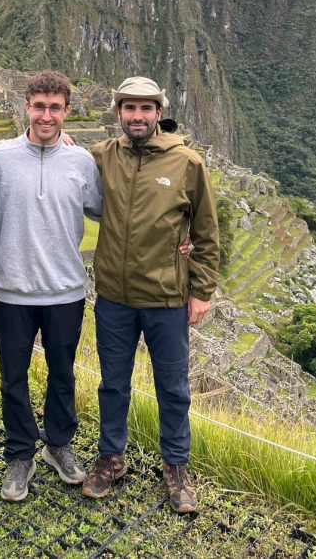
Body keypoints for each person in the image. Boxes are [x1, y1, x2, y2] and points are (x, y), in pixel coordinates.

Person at [82, 77, 219, 513]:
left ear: (159, 113)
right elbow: (61, 157)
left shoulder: (187, 163)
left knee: (174, 387)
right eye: (129, 108)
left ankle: (176, 467)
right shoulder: (103, 155)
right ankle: (110, 457)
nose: (136, 117)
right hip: (114, 297)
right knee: (113, 384)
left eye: (145, 109)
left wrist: (201, 291)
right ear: (118, 112)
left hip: (166, 297)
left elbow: (206, 232)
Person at [0, 70, 102, 502]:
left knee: (62, 373)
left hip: (65, 290)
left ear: (67, 111)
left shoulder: (82, 162)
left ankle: (58, 445)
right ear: (26, 107)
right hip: (13, 290)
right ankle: (20, 455)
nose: (47, 115)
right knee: (12, 377)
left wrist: (180, 233)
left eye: (55, 108)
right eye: (39, 106)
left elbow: (108, 212)